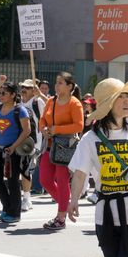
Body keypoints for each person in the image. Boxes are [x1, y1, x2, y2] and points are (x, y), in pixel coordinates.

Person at [67, 78, 128, 257]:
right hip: (105, 216)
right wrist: (73, 199)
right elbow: (80, 173)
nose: (127, 101)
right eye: (120, 97)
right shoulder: (90, 139)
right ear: (108, 104)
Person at [39, 72, 83, 230]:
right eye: (56, 82)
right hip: (49, 145)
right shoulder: (51, 101)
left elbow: (79, 126)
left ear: (70, 86)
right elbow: (43, 119)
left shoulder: (75, 103)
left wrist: (57, 129)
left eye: (60, 83)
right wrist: (43, 128)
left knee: (62, 180)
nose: (56, 85)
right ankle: (66, 205)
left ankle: (61, 216)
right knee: (45, 180)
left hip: (65, 147)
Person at [0, 82, 31, 223]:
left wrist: (13, 146)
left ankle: (14, 213)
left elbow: (27, 131)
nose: (0, 95)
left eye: (4, 93)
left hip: (14, 152)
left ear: (13, 95)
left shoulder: (20, 110)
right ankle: (7, 207)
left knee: (12, 182)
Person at [19, 79, 46, 211]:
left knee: (26, 169)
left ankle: (26, 198)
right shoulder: (18, 103)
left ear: (33, 90)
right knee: (22, 169)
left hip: (34, 142)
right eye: (23, 87)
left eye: (28, 88)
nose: (24, 89)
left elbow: (47, 115)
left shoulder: (37, 102)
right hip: (19, 141)